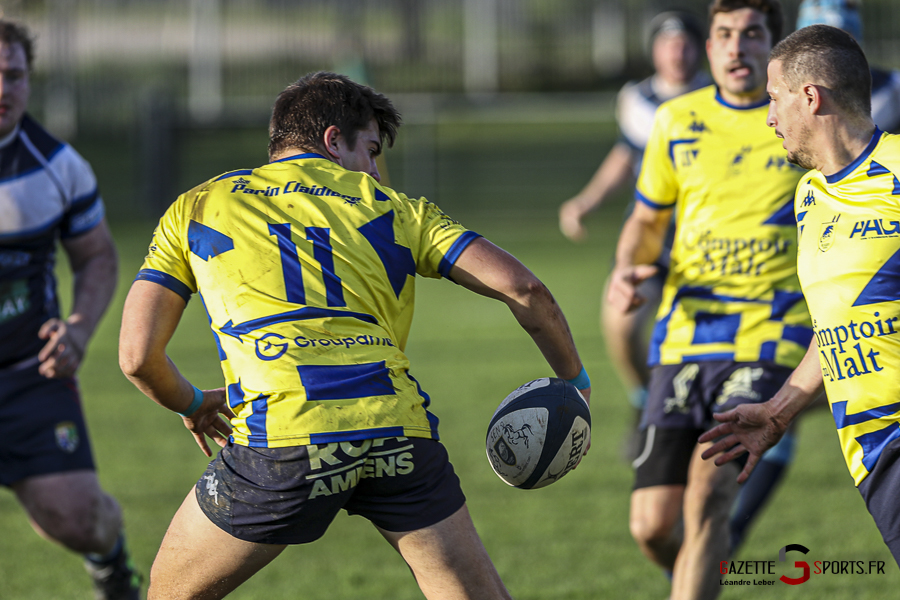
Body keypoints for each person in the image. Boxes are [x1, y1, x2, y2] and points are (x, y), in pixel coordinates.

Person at [118, 71, 591, 600]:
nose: (373, 169)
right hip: (396, 433)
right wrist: (575, 380)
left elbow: (137, 357)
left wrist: (191, 401)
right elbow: (526, 289)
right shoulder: (397, 208)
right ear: (332, 141)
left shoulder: (198, 206)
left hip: (282, 441)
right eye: (369, 149)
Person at [607, 0, 812, 597]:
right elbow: (647, 218)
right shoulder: (676, 120)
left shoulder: (798, 118)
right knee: (652, 528)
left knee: (707, 499)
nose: (736, 47)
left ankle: (704, 559)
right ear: (710, 45)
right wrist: (628, 267)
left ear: (773, 47)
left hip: (767, 336)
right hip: (683, 336)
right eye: (724, 34)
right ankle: (705, 568)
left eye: (752, 34)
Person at [700, 23, 900, 567]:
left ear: (810, 97)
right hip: (869, 449)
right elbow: (839, 319)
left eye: (773, 99)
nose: (768, 117)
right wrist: (782, 409)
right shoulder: (809, 197)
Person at [0, 19, 141, 600]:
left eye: (13, 75)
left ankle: (112, 569)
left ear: (30, 81)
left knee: (79, 519)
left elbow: (99, 259)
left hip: (32, 376)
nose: (2, 89)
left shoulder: (57, 167)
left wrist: (80, 328)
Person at [558, 11, 710, 443]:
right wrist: (586, 201)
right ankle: (645, 400)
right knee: (621, 326)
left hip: (705, 239)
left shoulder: (721, 97)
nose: (676, 52)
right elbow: (625, 156)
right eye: (667, 43)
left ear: (700, 49)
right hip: (650, 236)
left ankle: (690, 422)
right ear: (654, 50)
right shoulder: (638, 99)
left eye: (684, 43)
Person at [796, 0, 900, 133]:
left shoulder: (891, 88)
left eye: (842, 38)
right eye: (821, 42)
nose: (832, 51)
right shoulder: (784, 97)